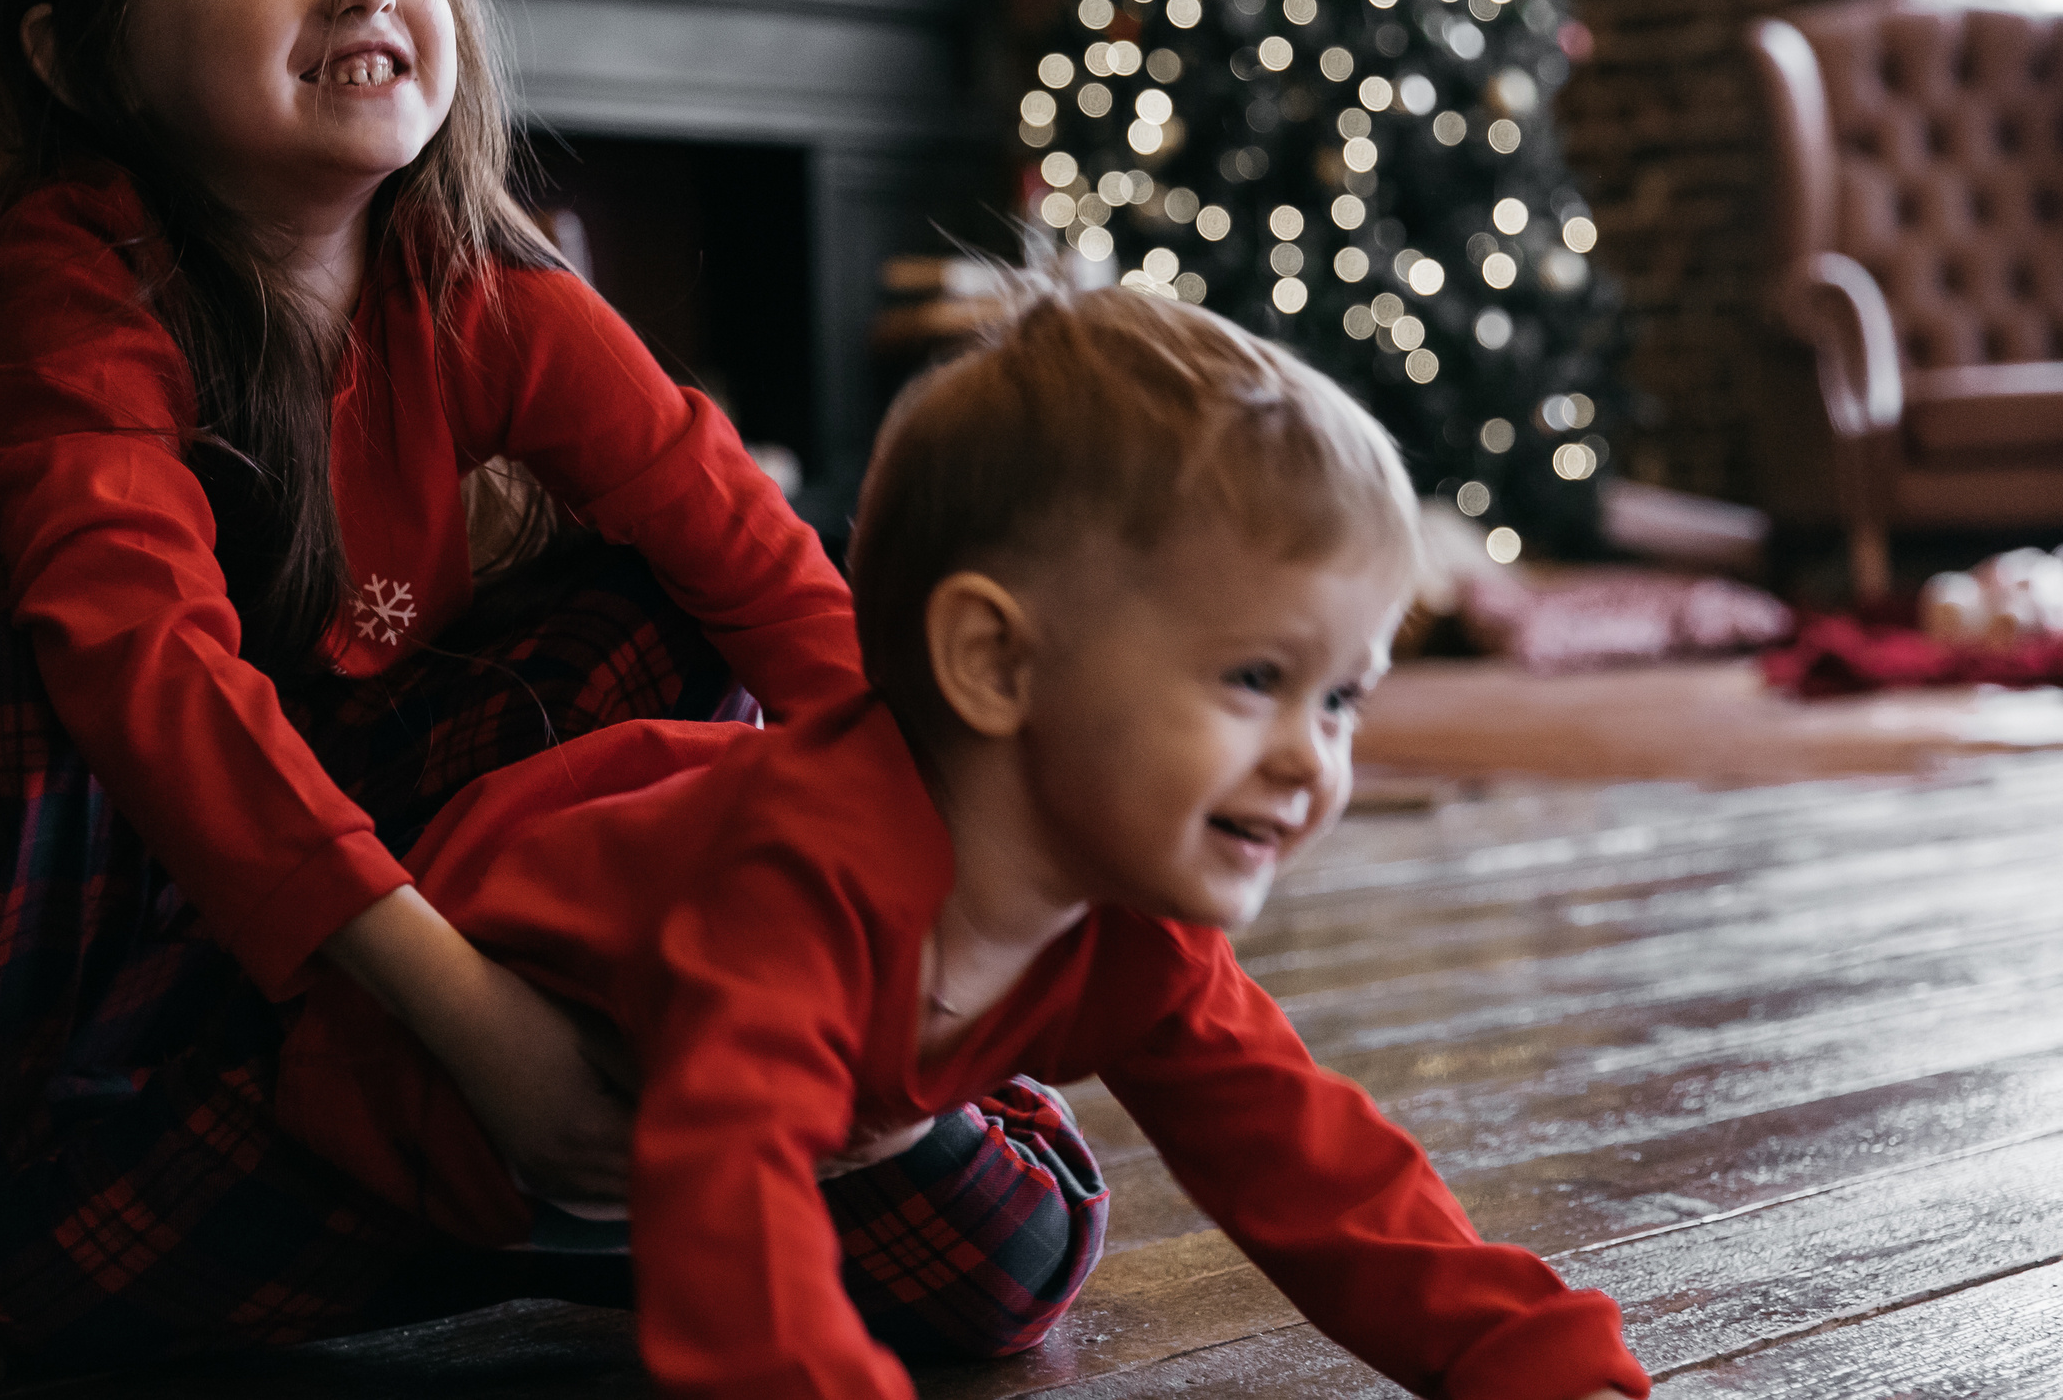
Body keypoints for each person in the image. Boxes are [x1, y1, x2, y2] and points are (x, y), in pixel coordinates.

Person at [0, 0, 1102, 1394]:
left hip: (392, 933)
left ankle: (599, 1140)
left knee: (672, 625)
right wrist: (472, 1023)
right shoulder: (78, 284)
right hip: (155, 971)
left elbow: (769, 574)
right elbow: (152, 677)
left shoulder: (486, 287)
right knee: (0, 663)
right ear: (79, 56)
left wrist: (952, 912)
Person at [277, 287, 1654, 1400]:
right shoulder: (806, 886)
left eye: (1343, 697)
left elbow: (1316, 1165)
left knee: (1015, 1249)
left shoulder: (1134, 923)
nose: (1314, 760)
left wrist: (1525, 1363)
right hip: (395, 1092)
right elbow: (731, 1215)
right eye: (1253, 681)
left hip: (668, 1136)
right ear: (995, 661)